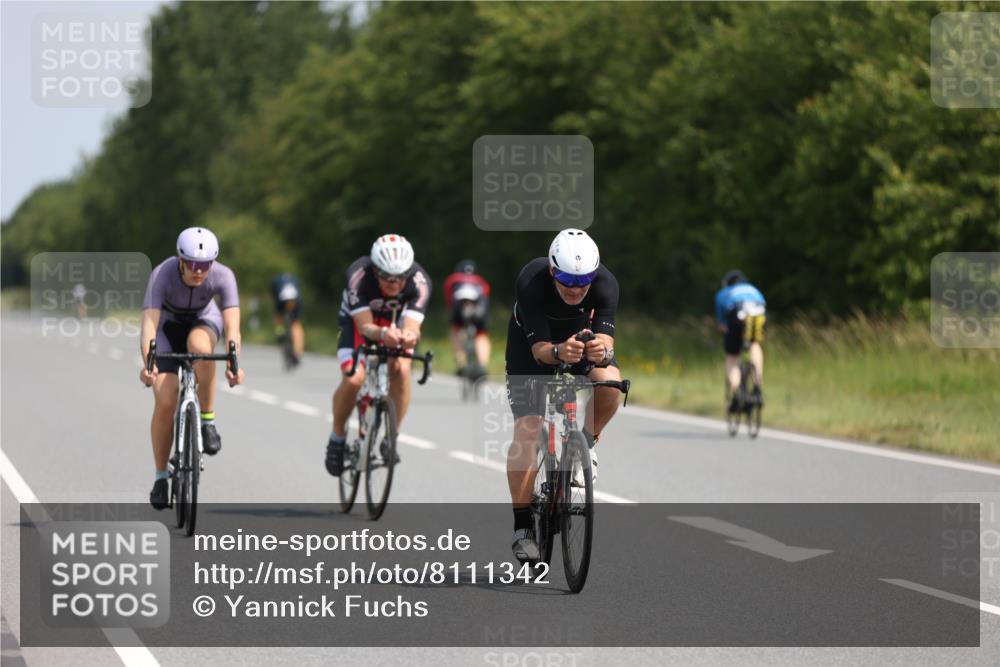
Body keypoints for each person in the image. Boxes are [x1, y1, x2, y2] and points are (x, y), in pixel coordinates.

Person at [504, 228, 622, 562]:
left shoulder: (606, 284)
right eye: (567, 280)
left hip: (579, 340)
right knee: (528, 428)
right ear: (553, 271)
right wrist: (558, 351)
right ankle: (523, 524)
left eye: (583, 280)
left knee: (611, 384)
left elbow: (608, 342)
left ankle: (587, 444)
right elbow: (541, 350)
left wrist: (601, 349)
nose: (575, 288)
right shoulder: (532, 280)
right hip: (534, 346)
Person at [139, 227, 246, 509]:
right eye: (194, 265)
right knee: (165, 400)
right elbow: (149, 325)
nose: (200, 271)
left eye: (206, 265)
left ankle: (207, 420)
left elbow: (233, 328)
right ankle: (162, 477)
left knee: (201, 347)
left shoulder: (224, 276)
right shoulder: (161, 275)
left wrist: (235, 364)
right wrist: (148, 365)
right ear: (181, 260)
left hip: (203, 321)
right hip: (167, 329)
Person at [325, 234, 432, 475]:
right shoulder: (358, 275)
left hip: (395, 323)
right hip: (358, 322)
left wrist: (408, 337)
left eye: (400, 278)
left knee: (402, 368)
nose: (394, 284)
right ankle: (337, 437)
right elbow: (365, 327)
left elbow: (413, 328)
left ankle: (390, 437)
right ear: (375, 270)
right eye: (386, 277)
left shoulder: (420, 281)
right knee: (353, 378)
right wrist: (384, 335)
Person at [714, 269, 766, 411]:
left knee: (732, 357)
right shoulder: (753, 289)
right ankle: (757, 385)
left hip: (737, 312)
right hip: (757, 311)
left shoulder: (723, 293)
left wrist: (729, 339)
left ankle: (737, 393)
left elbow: (723, 326)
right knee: (755, 344)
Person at [443, 259, 491, 376]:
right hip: (479, 304)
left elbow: (449, 300)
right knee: (481, 334)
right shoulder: (481, 281)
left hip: (459, 305)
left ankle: (461, 364)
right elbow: (485, 296)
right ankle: (482, 365)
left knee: (456, 330)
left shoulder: (452, 280)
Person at [270, 272, 305, 365]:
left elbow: (274, 296)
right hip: (295, 299)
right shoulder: (295, 279)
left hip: (282, 299)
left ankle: (279, 331)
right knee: (296, 324)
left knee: (278, 316)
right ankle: (298, 352)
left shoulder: (275, 281)